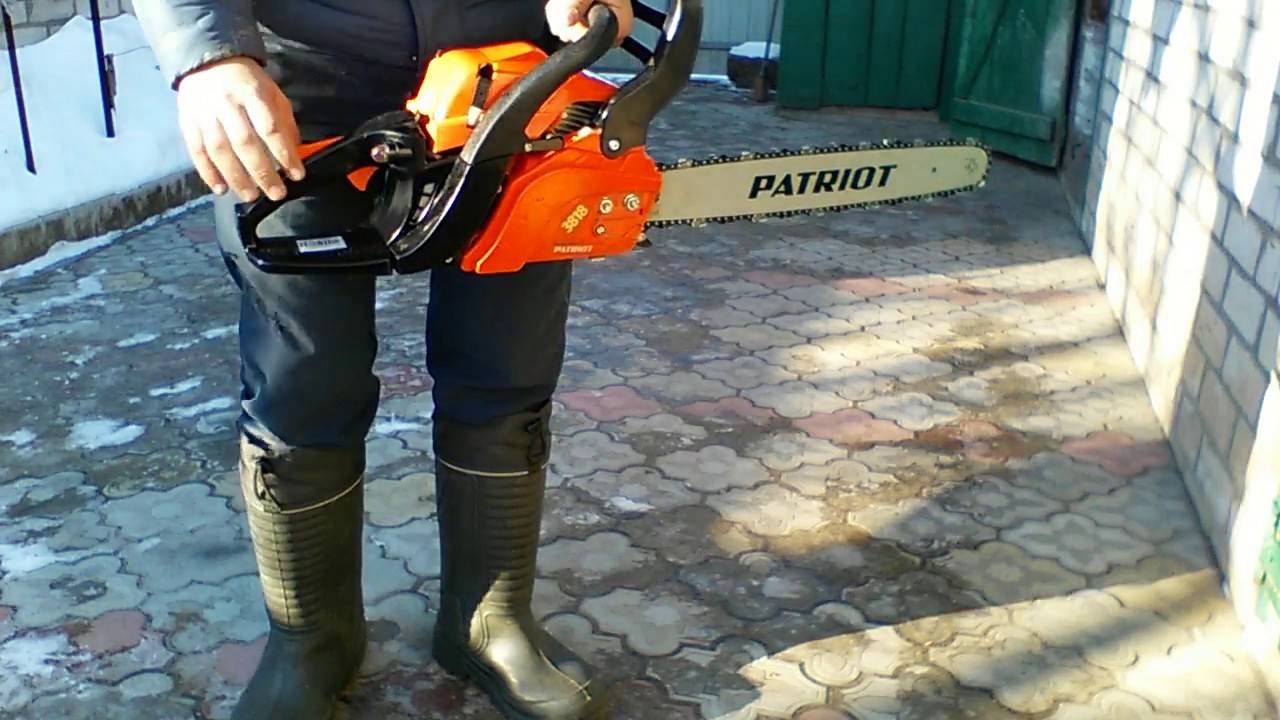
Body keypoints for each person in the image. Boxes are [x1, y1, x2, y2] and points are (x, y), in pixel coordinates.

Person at [131, 1, 635, 718]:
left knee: (507, 366)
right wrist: (207, 54)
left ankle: (489, 620)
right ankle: (312, 638)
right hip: (298, 87)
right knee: (301, 382)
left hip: (509, 82)